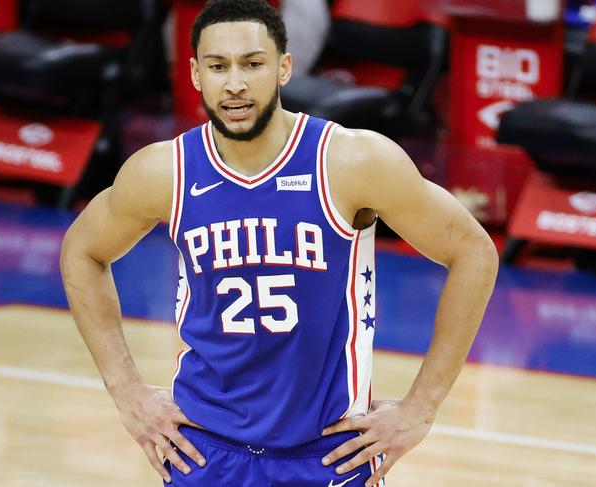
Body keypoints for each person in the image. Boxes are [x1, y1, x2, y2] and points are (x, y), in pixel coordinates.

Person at [60, 1, 499, 486]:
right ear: (194, 73)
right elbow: (82, 250)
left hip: (330, 455)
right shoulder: (165, 171)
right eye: (218, 66)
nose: (235, 84)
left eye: (252, 63)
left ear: (284, 67)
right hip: (203, 451)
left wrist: (421, 408)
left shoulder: (352, 161)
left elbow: (473, 253)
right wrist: (126, 390)